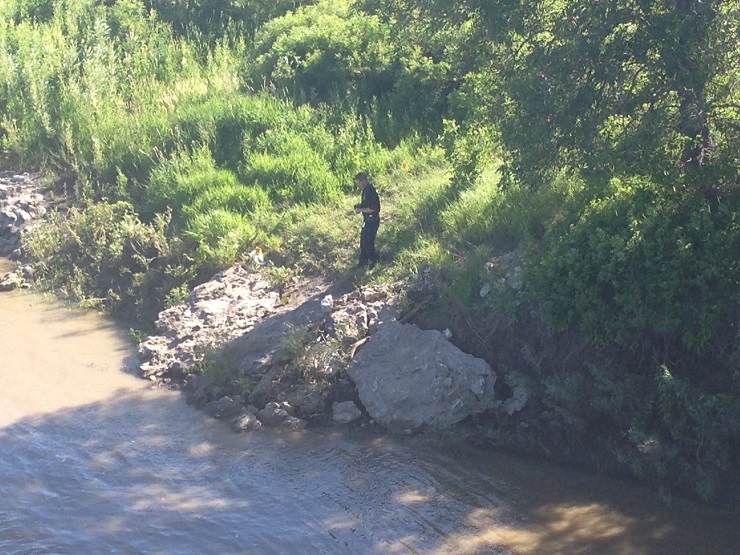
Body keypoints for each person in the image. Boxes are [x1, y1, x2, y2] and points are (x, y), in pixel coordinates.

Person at [353, 172, 380, 267]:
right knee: (363, 241)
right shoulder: (365, 191)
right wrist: (359, 206)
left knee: (368, 242)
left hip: (372, 220)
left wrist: (360, 210)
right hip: (367, 220)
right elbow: (366, 204)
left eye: (358, 183)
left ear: (363, 181)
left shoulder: (370, 191)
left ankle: (374, 260)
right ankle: (362, 262)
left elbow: (373, 208)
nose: (358, 185)